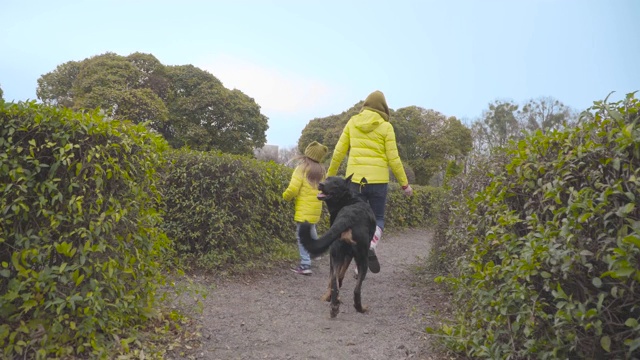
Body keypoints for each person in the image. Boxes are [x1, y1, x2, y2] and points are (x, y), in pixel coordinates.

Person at [326, 90, 413, 274]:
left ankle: (353, 259)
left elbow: (338, 152)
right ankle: (371, 245)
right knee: (377, 218)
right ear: (384, 108)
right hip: (379, 181)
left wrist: (330, 177)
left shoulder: (352, 122)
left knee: (356, 222)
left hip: (355, 181)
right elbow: (394, 158)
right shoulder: (386, 127)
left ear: (365, 104)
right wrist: (405, 184)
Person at [283, 141, 328, 275]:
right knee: (311, 228)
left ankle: (305, 264)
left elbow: (293, 189)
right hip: (315, 208)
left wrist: (285, 197)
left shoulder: (302, 168)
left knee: (301, 235)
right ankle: (316, 252)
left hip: (304, 208)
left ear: (308, 153)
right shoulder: (321, 171)